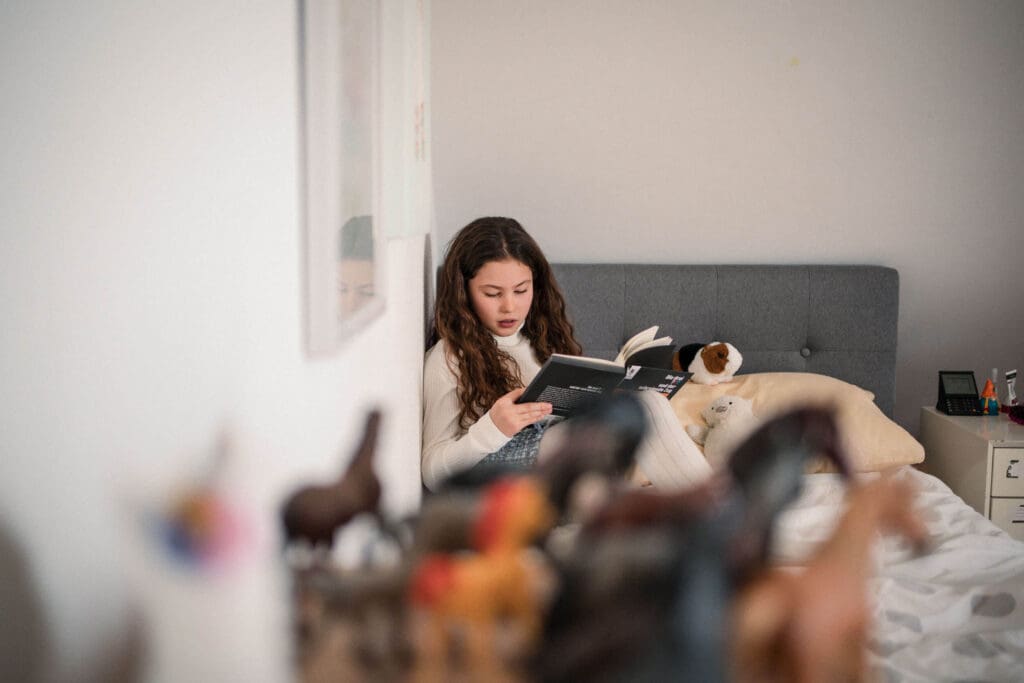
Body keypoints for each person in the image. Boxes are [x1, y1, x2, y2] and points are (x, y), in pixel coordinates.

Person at [421, 216, 712, 492]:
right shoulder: (449, 357)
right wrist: (493, 429)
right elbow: (432, 474)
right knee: (638, 413)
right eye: (493, 294)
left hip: (560, 465)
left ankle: (704, 505)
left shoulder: (542, 337)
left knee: (645, 402)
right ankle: (715, 508)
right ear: (464, 291)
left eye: (521, 290)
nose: (509, 307)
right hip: (502, 478)